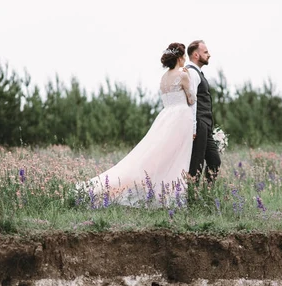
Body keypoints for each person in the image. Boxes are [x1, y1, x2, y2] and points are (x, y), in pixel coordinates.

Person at [78, 42, 195, 207]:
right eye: (184, 57)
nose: (185, 60)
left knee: (156, 156)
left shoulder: (164, 78)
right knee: (176, 158)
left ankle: (160, 193)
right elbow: (191, 98)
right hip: (181, 118)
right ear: (179, 57)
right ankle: (171, 197)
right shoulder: (183, 75)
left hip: (165, 118)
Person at [186, 40, 221, 183]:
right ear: (196, 55)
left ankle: (207, 195)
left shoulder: (199, 73)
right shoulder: (192, 73)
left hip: (206, 125)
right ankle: (191, 199)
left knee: (214, 161)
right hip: (199, 125)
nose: (209, 55)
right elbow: (191, 102)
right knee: (196, 164)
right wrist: (194, 128)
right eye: (205, 52)